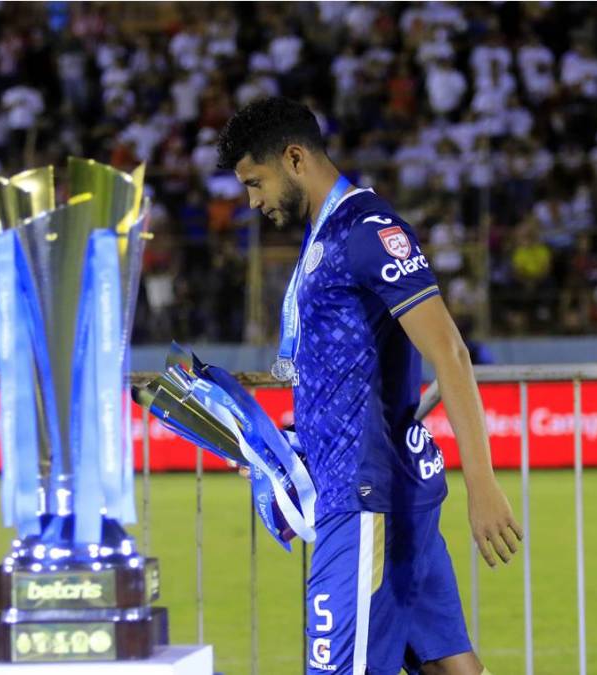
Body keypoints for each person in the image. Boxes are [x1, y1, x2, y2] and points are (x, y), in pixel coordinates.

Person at [217, 97, 520, 675]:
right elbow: (347, 373)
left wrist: (482, 485)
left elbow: (449, 351)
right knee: (449, 666)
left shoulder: (368, 230)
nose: (252, 202)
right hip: (378, 491)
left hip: (365, 503)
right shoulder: (323, 236)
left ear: (295, 158)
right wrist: (288, 444)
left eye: (255, 182)